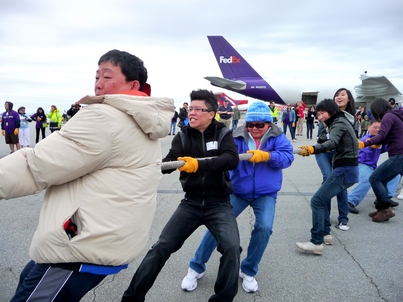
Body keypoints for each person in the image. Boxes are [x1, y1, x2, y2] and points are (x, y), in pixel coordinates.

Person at [4, 49, 173, 301]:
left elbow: (37, 165)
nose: (98, 84)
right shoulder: (143, 119)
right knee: (30, 278)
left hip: (79, 245)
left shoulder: (104, 117)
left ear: (133, 84)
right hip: (108, 239)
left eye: (107, 77)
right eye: (96, 77)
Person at [121, 89, 241, 302]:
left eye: (197, 109)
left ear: (211, 114)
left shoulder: (222, 133)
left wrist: (200, 164)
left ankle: (222, 299)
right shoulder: (183, 135)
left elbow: (231, 159)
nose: (191, 112)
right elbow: (169, 161)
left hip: (219, 204)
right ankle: (132, 298)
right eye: (190, 108)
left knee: (232, 248)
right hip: (191, 203)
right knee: (161, 248)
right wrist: (149, 165)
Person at [181, 101, 294, 294]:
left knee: (265, 227)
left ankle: (248, 270)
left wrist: (267, 156)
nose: (254, 128)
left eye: (259, 124)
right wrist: (196, 162)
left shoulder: (278, 136)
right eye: (250, 124)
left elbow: (287, 158)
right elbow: (218, 156)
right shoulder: (235, 136)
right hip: (237, 192)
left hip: (266, 193)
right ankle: (196, 267)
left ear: (269, 124)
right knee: (215, 227)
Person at [296, 99, 358, 255]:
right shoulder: (339, 122)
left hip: (344, 170)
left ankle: (316, 242)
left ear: (331, 111)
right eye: (318, 113)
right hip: (346, 170)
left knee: (316, 200)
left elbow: (332, 143)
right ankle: (326, 234)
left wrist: (312, 149)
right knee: (322, 199)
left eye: (322, 113)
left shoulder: (338, 123)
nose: (320, 116)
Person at [314, 88, 356, 232]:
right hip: (324, 151)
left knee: (339, 184)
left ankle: (343, 218)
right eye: (337, 95)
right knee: (328, 179)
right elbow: (323, 137)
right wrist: (317, 147)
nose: (339, 97)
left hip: (339, 154)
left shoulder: (350, 117)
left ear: (349, 98)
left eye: (342, 95)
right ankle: (325, 224)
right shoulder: (325, 114)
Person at [358, 98, 403, 222]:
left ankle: (385, 210)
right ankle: (382, 209)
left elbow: (381, 135)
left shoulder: (388, 116)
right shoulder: (396, 116)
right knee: (381, 180)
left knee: (374, 178)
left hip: (399, 155)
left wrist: (364, 144)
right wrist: (375, 142)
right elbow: (387, 137)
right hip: (400, 156)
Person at [348, 119, 400, 214]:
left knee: (395, 174)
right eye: (375, 127)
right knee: (367, 179)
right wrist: (376, 144)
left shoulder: (380, 140)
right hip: (361, 164)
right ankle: (350, 201)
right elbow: (368, 148)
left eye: (380, 128)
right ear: (368, 127)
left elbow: (387, 148)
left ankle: (384, 198)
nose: (377, 130)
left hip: (372, 167)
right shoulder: (366, 139)